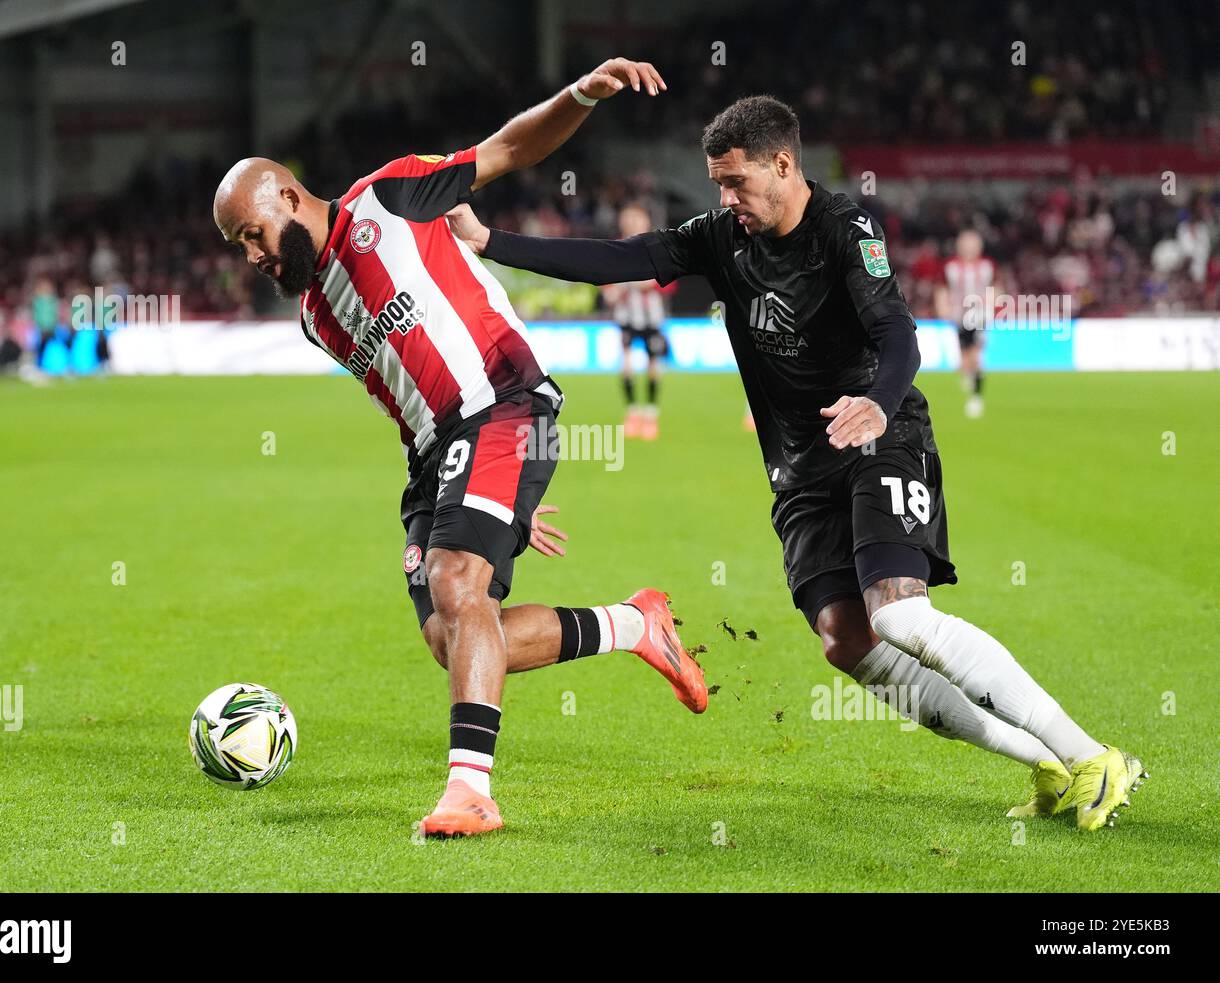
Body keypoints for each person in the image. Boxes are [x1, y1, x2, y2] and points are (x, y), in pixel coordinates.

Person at [447, 95, 1145, 832]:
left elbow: (898, 333)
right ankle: (1045, 761)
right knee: (846, 639)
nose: (725, 199)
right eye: (718, 183)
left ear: (783, 165)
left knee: (901, 615)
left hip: (880, 435)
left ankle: (1094, 755)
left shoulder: (847, 230)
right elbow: (627, 257)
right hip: (801, 469)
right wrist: (491, 240)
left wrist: (877, 399)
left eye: (736, 182)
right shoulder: (722, 238)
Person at [213, 57, 707, 838]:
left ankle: (470, 790)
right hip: (438, 449)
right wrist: (493, 501)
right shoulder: (313, 315)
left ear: (284, 194)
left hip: (507, 404)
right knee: (452, 639)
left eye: (252, 234)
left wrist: (582, 95)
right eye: (242, 246)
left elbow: (508, 148)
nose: (253, 255)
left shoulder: (391, 196)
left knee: (457, 582)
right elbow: (402, 391)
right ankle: (634, 625)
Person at [603, 203, 671, 439]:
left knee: (653, 367)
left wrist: (635, 283)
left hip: (652, 319)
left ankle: (651, 415)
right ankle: (633, 413)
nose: (632, 223)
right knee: (627, 365)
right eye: (628, 218)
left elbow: (669, 283)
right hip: (626, 318)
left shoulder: (656, 245)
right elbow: (606, 288)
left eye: (636, 218)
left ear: (645, 221)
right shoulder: (613, 249)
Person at [937, 229, 993, 418]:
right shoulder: (951, 267)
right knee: (964, 358)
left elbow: (996, 287)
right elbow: (942, 289)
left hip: (979, 317)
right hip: (959, 317)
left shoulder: (987, 266)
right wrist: (943, 307)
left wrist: (993, 306)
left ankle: (976, 398)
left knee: (976, 356)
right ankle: (969, 376)